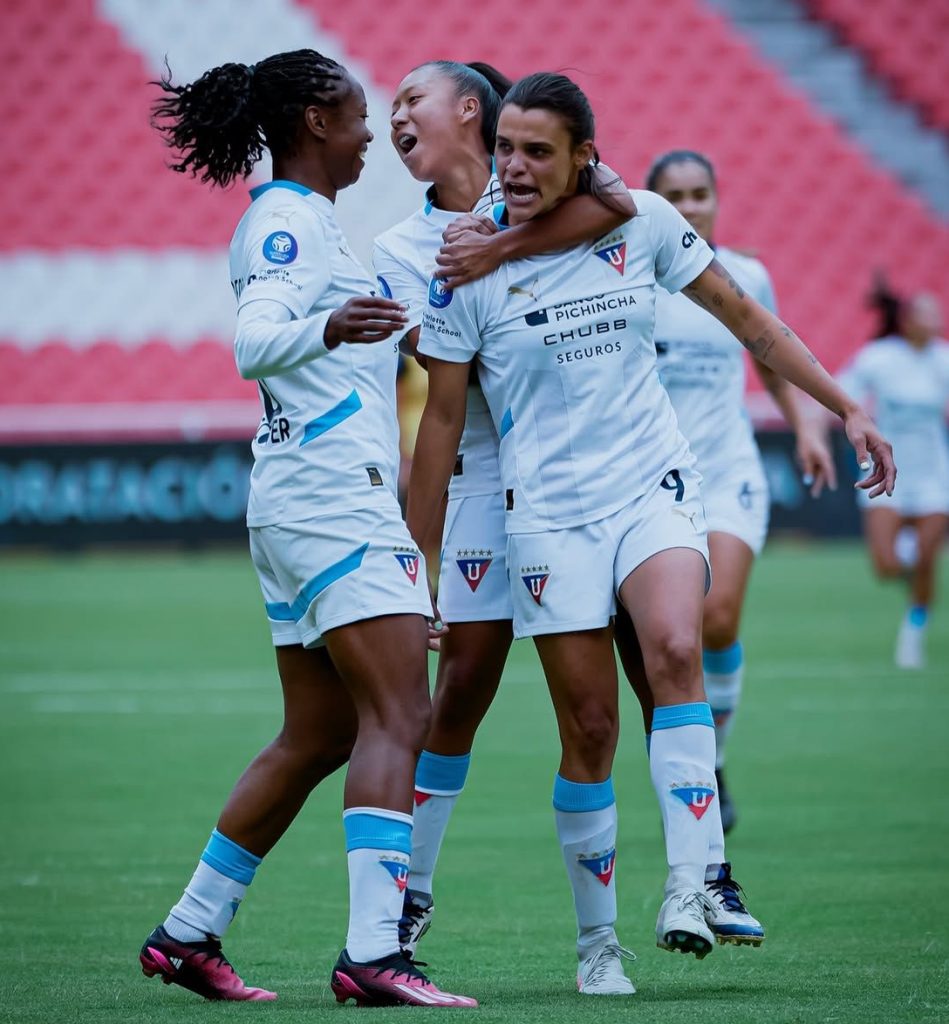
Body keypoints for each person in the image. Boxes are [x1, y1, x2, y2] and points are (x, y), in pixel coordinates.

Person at [407, 71, 895, 988]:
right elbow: (439, 426)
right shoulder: (464, 268)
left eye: (537, 151)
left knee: (677, 645)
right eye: (505, 146)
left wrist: (844, 408)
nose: (512, 164)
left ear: (584, 158)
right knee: (588, 728)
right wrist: (417, 560)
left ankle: (690, 883)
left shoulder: (640, 226)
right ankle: (597, 947)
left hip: (653, 486)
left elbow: (748, 320)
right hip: (545, 516)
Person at [142, 49, 477, 1008]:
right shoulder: (289, 221)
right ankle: (375, 953)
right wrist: (330, 329)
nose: (373, 131)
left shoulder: (307, 221)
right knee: (400, 716)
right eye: (359, 114)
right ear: (316, 124)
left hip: (299, 496)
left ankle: (188, 931)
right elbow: (254, 341)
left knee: (321, 728)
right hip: (335, 498)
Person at [374, 60, 645, 994]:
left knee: (633, 680)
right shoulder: (401, 249)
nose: (395, 115)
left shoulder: (529, 184)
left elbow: (616, 200)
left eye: (412, 99)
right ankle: (406, 897)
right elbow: (447, 372)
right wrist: (418, 556)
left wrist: (499, 247)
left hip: (593, 471)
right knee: (461, 690)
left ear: (468, 114)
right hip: (485, 477)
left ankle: (699, 872)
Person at [631, 149, 837, 833]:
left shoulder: (746, 277)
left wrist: (806, 426)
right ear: (656, 205)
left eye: (699, 194)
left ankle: (709, 761)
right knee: (671, 636)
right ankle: (692, 763)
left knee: (716, 618)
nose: (689, 208)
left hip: (727, 470)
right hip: (651, 480)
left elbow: (770, 355)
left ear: (716, 198)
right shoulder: (634, 281)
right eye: (674, 196)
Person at [839, 283, 949, 669]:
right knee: (887, 565)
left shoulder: (943, 360)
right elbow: (843, 394)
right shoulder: (878, 358)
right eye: (926, 313)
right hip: (889, 476)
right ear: (906, 320)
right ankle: (914, 575)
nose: (935, 321)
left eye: (937, 314)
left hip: (935, 478)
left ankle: (913, 632)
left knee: (925, 556)